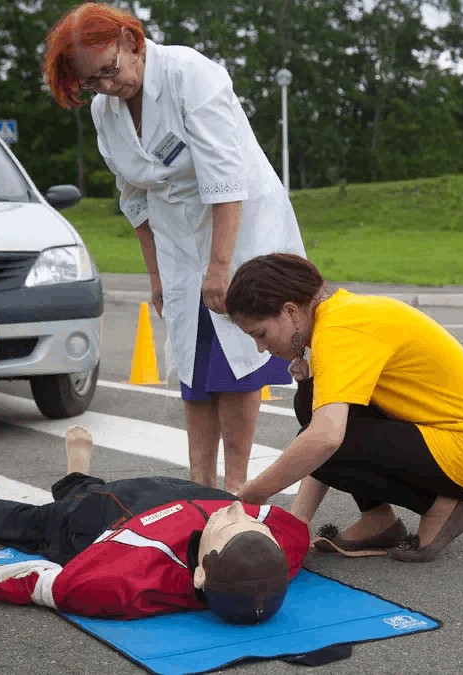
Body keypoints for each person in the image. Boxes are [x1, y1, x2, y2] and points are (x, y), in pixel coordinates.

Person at [42, 3, 306, 494]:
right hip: (178, 244)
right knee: (194, 366)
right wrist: (158, 276)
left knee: (235, 360)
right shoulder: (107, 110)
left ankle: (234, 491)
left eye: (109, 70)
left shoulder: (191, 75)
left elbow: (228, 180)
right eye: (92, 81)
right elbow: (134, 198)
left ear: (131, 41)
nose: (106, 85)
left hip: (239, 230)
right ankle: (198, 485)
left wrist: (221, 267)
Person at [225, 254, 463, 563]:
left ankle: (441, 508)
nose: (261, 348)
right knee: (311, 404)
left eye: (261, 334)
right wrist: (297, 526)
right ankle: (378, 520)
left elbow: (324, 440)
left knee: (319, 433)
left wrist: (252, 495)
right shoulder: (340, 315)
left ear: (290, 311)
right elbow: (321, 437)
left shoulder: (340, 329)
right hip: (458, 440)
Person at [0, 427, 310, 623]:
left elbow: (36, 583)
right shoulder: (284, 543)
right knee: (96, 490)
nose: (239, 509)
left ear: (201, 573)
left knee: (19, 520)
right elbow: (293, 532)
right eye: (253, 524)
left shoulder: (123, 582)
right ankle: (77, 474)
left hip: (95, 523)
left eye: (230, 524)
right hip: (167, 492)